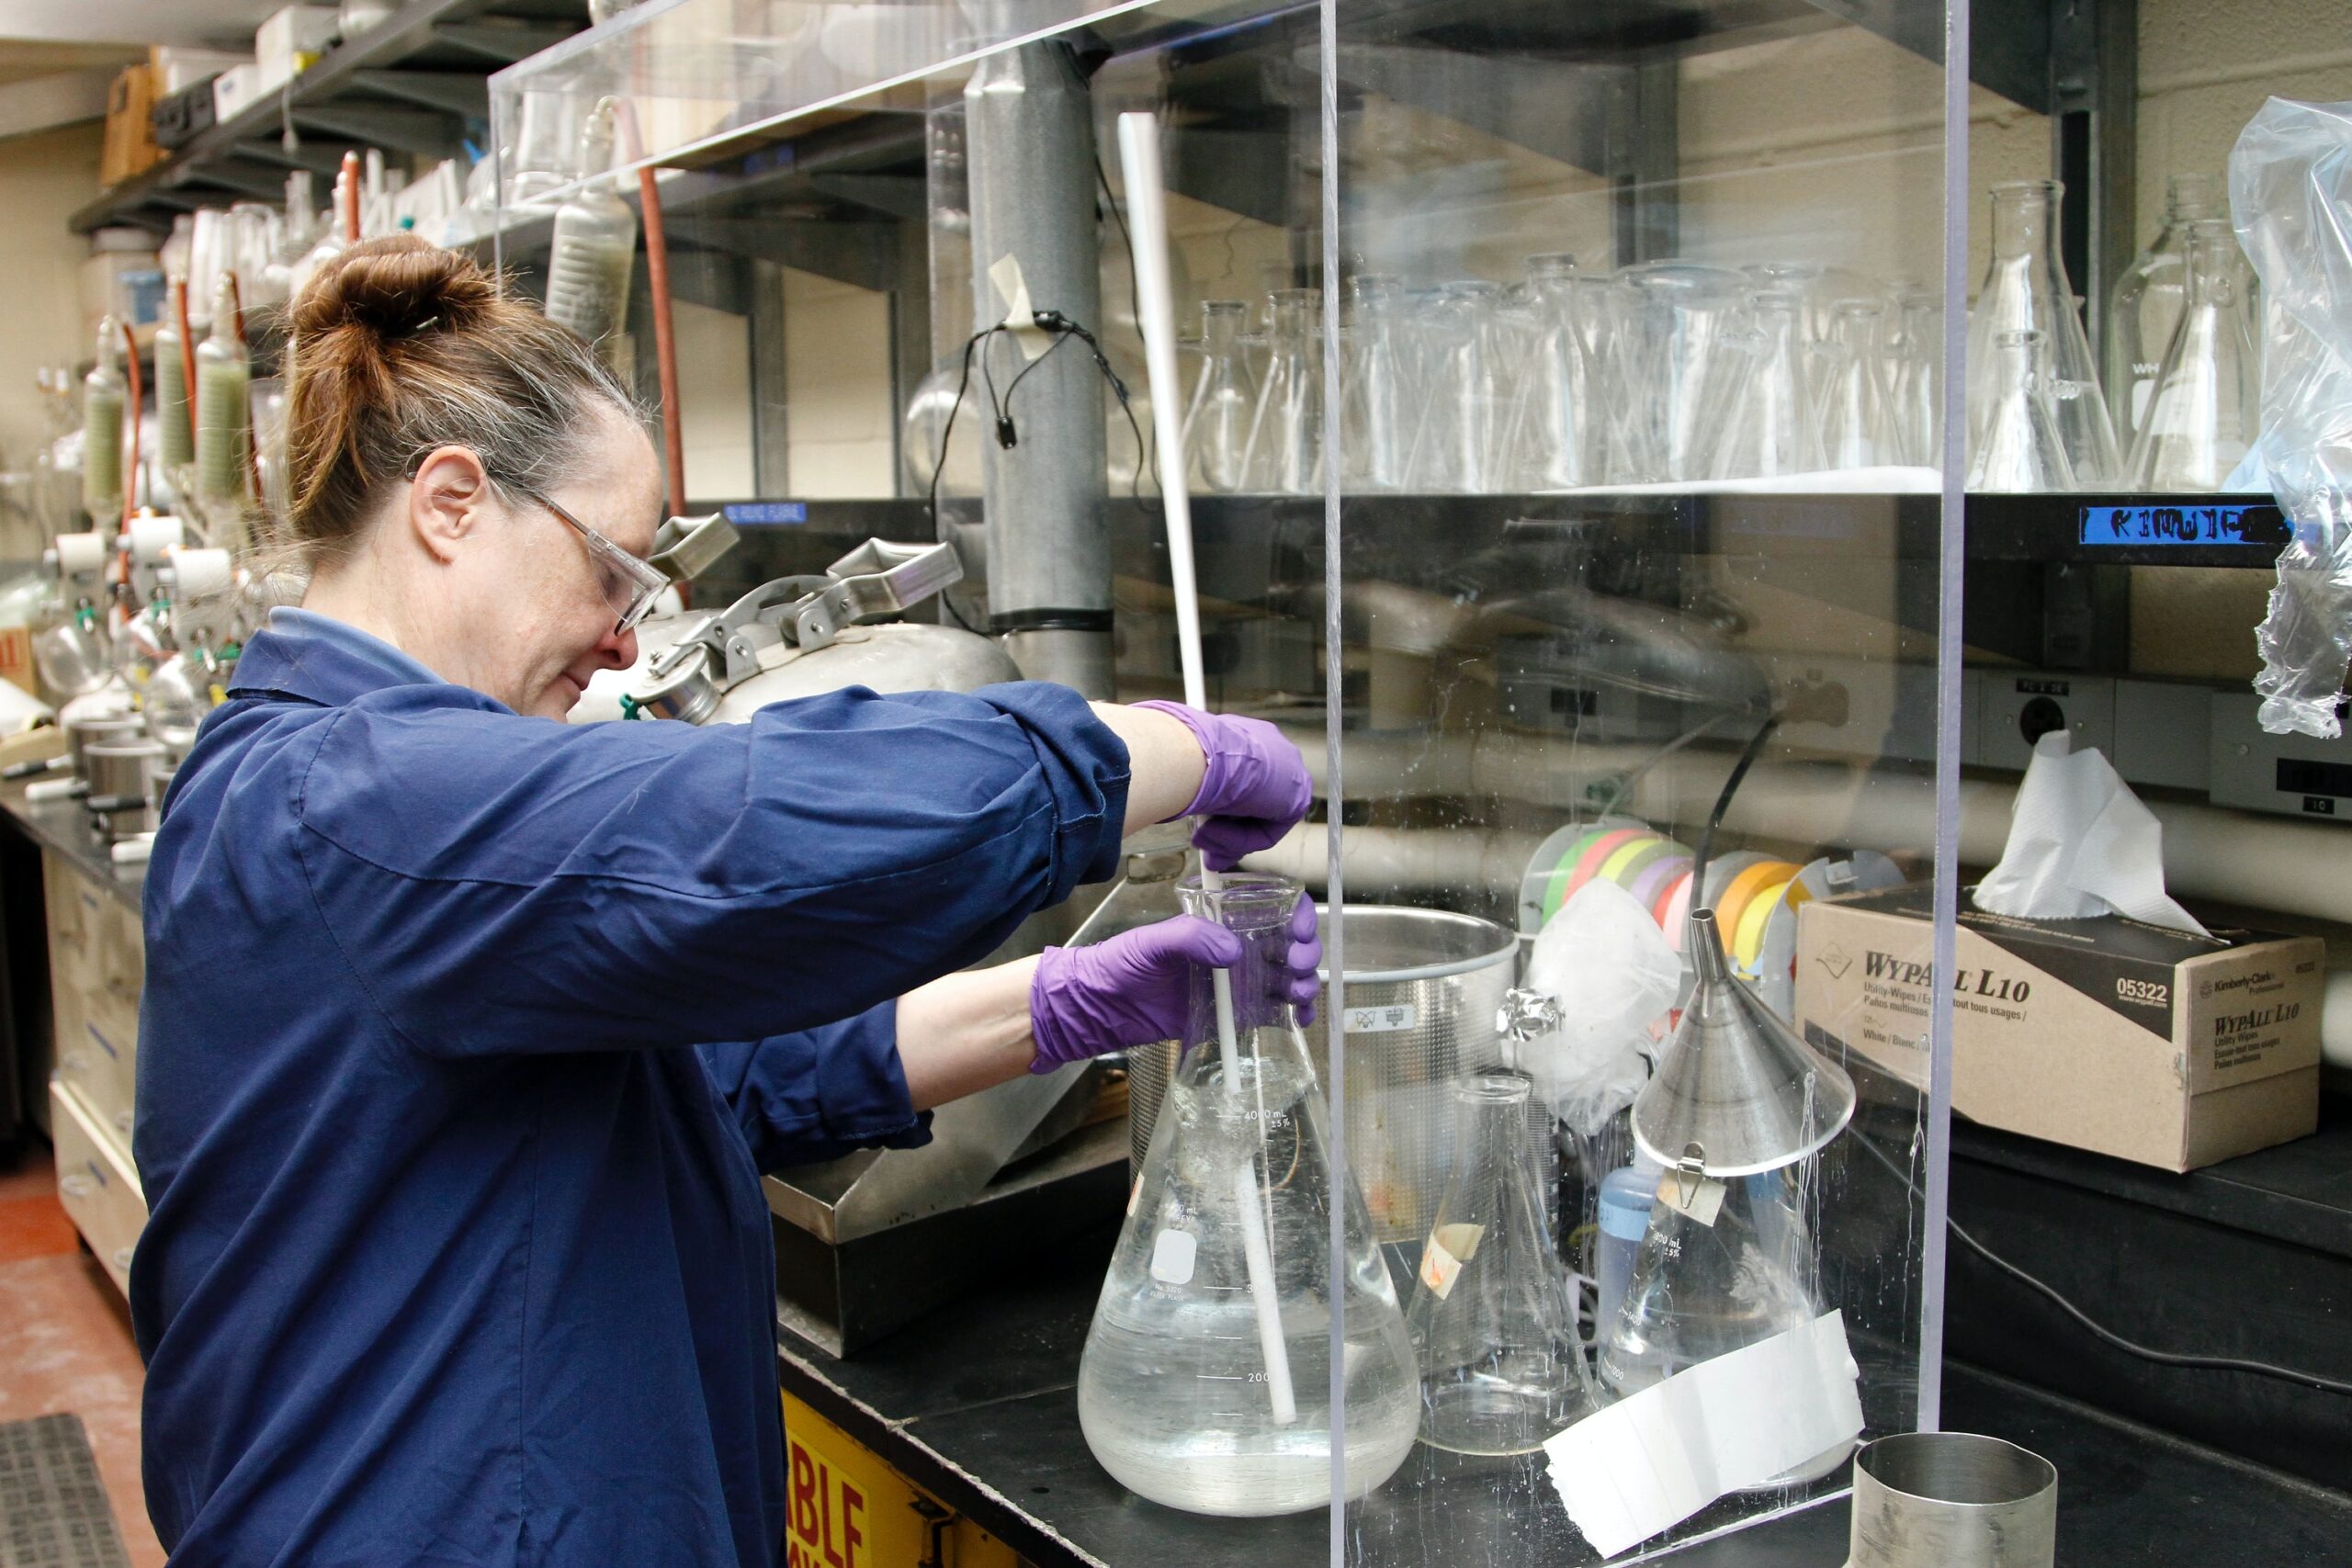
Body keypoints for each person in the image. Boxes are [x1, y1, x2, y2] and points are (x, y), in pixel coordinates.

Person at [131, 234, 1320, 1567]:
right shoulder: (350, 804)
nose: (630, 638)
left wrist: (1063, 1004)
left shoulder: (340, 799)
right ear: (452, 503)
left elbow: (699, 1088)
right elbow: (751, 841)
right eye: (616, 570)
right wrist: (1148, 753)